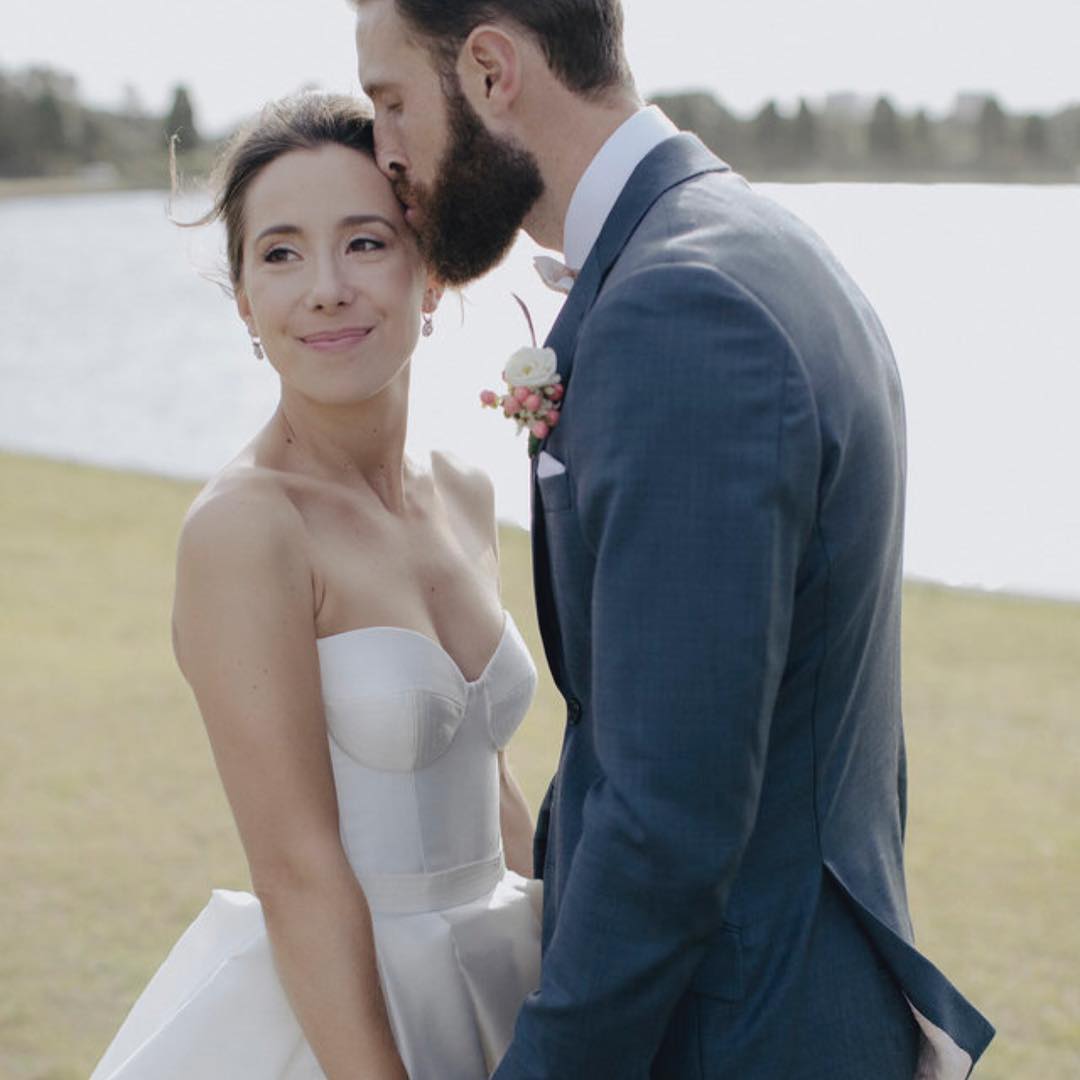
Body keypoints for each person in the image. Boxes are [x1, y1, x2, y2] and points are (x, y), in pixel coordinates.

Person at [352, 1, 996, 1077]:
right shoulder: (750, 239)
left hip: (739, 1032)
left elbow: (670, 815)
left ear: (492, 69)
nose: (386, 152)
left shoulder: (680, 309)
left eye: (392, 102)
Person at [90, 92, 542, 1080]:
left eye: (367, 243)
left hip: (505, 985)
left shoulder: (463, 493)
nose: (327, 288)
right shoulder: (247, 531)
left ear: (430, 275)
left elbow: (486, 773)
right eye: (282, 254)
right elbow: (295, 871)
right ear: (246, 303)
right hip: (345, 1023)